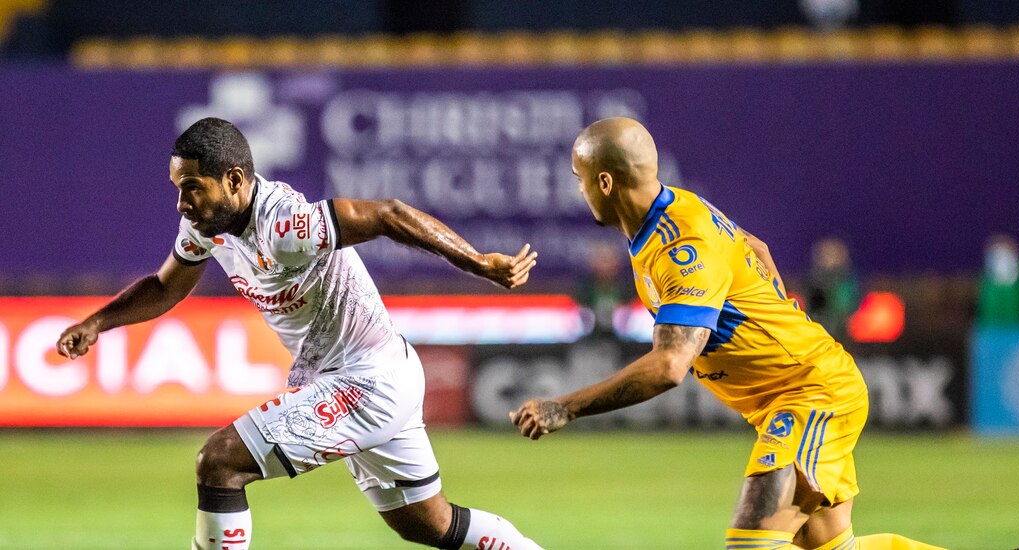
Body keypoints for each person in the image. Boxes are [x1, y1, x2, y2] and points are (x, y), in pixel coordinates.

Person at [56, 117, 543, 550]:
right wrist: (97, 322)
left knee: (219, 462)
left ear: (233, 180)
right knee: (428, 526)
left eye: (191, 187)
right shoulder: (208, 226)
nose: (182, 203)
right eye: (177, 189)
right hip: (377, 374)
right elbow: (165, 286)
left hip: (366, 382)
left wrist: (479, 262)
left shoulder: (287, 226)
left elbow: (390, 215)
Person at [510, 118, 942, 550]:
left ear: (604, 182)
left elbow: (668, 366)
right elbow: (756, 247)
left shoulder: (681, 245)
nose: (580, 191)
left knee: (751, 544)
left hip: (811, 393)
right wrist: (774, 315)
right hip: (789, 398)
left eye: (579, 179)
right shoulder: (673, 212)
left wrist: (564, 407)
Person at [806, 237, 858, 339]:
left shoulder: (846, 282)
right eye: (823, 254)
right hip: (815, 332)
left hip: (841, 334)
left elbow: (847, 308)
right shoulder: (811, 281)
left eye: (831, 255)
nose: (826, 259)